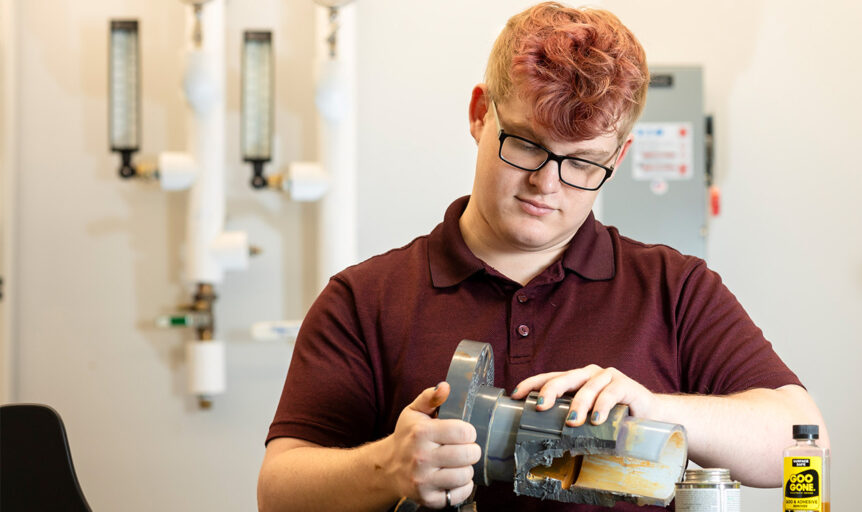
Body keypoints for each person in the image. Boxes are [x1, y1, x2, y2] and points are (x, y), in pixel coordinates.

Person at [257, 3, 829, 511]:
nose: (545, 184)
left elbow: (802, 440)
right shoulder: (366, 298)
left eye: (582, 164)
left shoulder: (673, 288)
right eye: (527, 144)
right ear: (481, 114)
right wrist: (386, 467)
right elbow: (278, 491)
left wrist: (655, 409)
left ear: (620, 155)